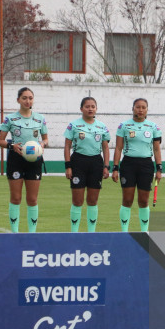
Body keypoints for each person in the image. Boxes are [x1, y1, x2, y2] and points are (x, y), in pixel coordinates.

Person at [0, 87, 48, 233]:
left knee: (32, 199)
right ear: (18, 100)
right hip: (16, 160)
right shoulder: (10, 118)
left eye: (30, 98)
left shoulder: (40, 118)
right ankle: (14, 233)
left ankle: (32, 234)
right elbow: (0, 141)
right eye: (24, 98)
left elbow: (45, 139)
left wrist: (42, 144)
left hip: (34, 160)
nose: (27, 101)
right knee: (16, 197)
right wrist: (11, 145)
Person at [112, 98, 162, 232]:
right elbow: (118, 148)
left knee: (143, 201)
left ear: (147, 110)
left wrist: (159, 169)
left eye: (143, 107)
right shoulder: (123, 126)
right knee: (127, 200)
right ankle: (124, 233)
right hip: (128, 164)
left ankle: (144, 232)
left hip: (146, 165)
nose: (140, 110)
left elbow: (156, 149)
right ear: (133, 108)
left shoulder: (153, 127)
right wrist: (115, 168)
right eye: (138, 107)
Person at [64, 97, 110, 232]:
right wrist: (68, 166)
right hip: (78, 162)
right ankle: (74, 233)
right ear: (81, 109)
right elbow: (67, 146)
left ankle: (91, 233)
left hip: (96, 163)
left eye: (93, 106)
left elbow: (106, 148)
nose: (90, 109)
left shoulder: (102, 126)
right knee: (77, 201)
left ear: (96, 109)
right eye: (87, 106)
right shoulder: (73, 125)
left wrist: (106, 166)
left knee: (93, 200)